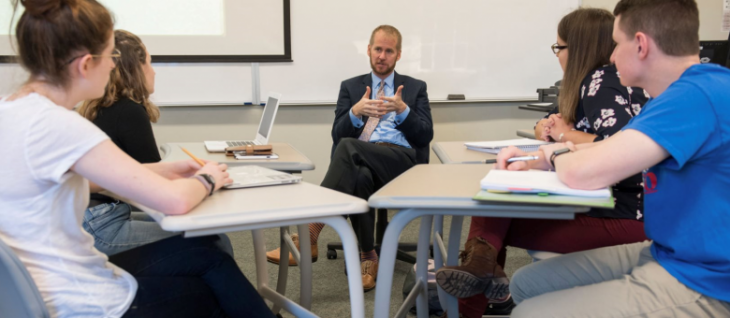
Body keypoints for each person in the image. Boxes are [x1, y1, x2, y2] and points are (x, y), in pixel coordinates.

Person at [0, 0, 273, 317]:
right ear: (86, 63)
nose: (114, 66)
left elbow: (78, 179)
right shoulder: (62, 127)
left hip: (32, 290)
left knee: (205, 253)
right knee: (212, 290)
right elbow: (175, 203)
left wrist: (162, 169)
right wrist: (209, 177)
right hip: (83, 301)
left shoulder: (13, 111)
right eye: (110, 56)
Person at [498, 0, 730, 316]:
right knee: (526, 282)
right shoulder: (682, 92)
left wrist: (557, 153)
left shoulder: (694, 97)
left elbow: (582, 174)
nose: (610, 56)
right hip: (667, 253)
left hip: (708, 281)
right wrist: (545, 154)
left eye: (617, 44)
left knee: (529, 313)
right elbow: (616, 146)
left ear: (641, 45)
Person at [434, 8, 649, 318]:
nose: (557, 55)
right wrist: (551, 131)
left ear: (579, 49)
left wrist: (565, 135)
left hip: (626, 219)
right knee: (495, 218)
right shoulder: (616, 79)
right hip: (618, 208)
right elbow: (573, 128)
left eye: (559, 47)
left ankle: (477, 280)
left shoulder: (599, 80)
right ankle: (482, 271)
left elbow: (620, 145)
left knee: (494, 214)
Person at [266, 24, 434, 292]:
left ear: (398, 55)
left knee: (349, 147)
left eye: (389, 51)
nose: (382, 56)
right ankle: (368, 257)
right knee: (359, 173)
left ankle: (310, 230)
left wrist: (403, 110)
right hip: (362, 157)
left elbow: (425, 136)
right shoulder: (351, 87)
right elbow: (337, 133)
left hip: (401, 163)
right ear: (368, 50)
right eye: (378, 49)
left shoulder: (414, 88)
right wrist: (355, 112)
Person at [76, 29, 232, 256]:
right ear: (135, 70)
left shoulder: (97, 107)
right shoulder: (128, 110)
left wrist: (176, 174)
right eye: (149, 63)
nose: (154, 71)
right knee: (214, 239)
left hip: (92, 212)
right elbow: (157, 191)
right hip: (102, 220)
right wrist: (206, 182)